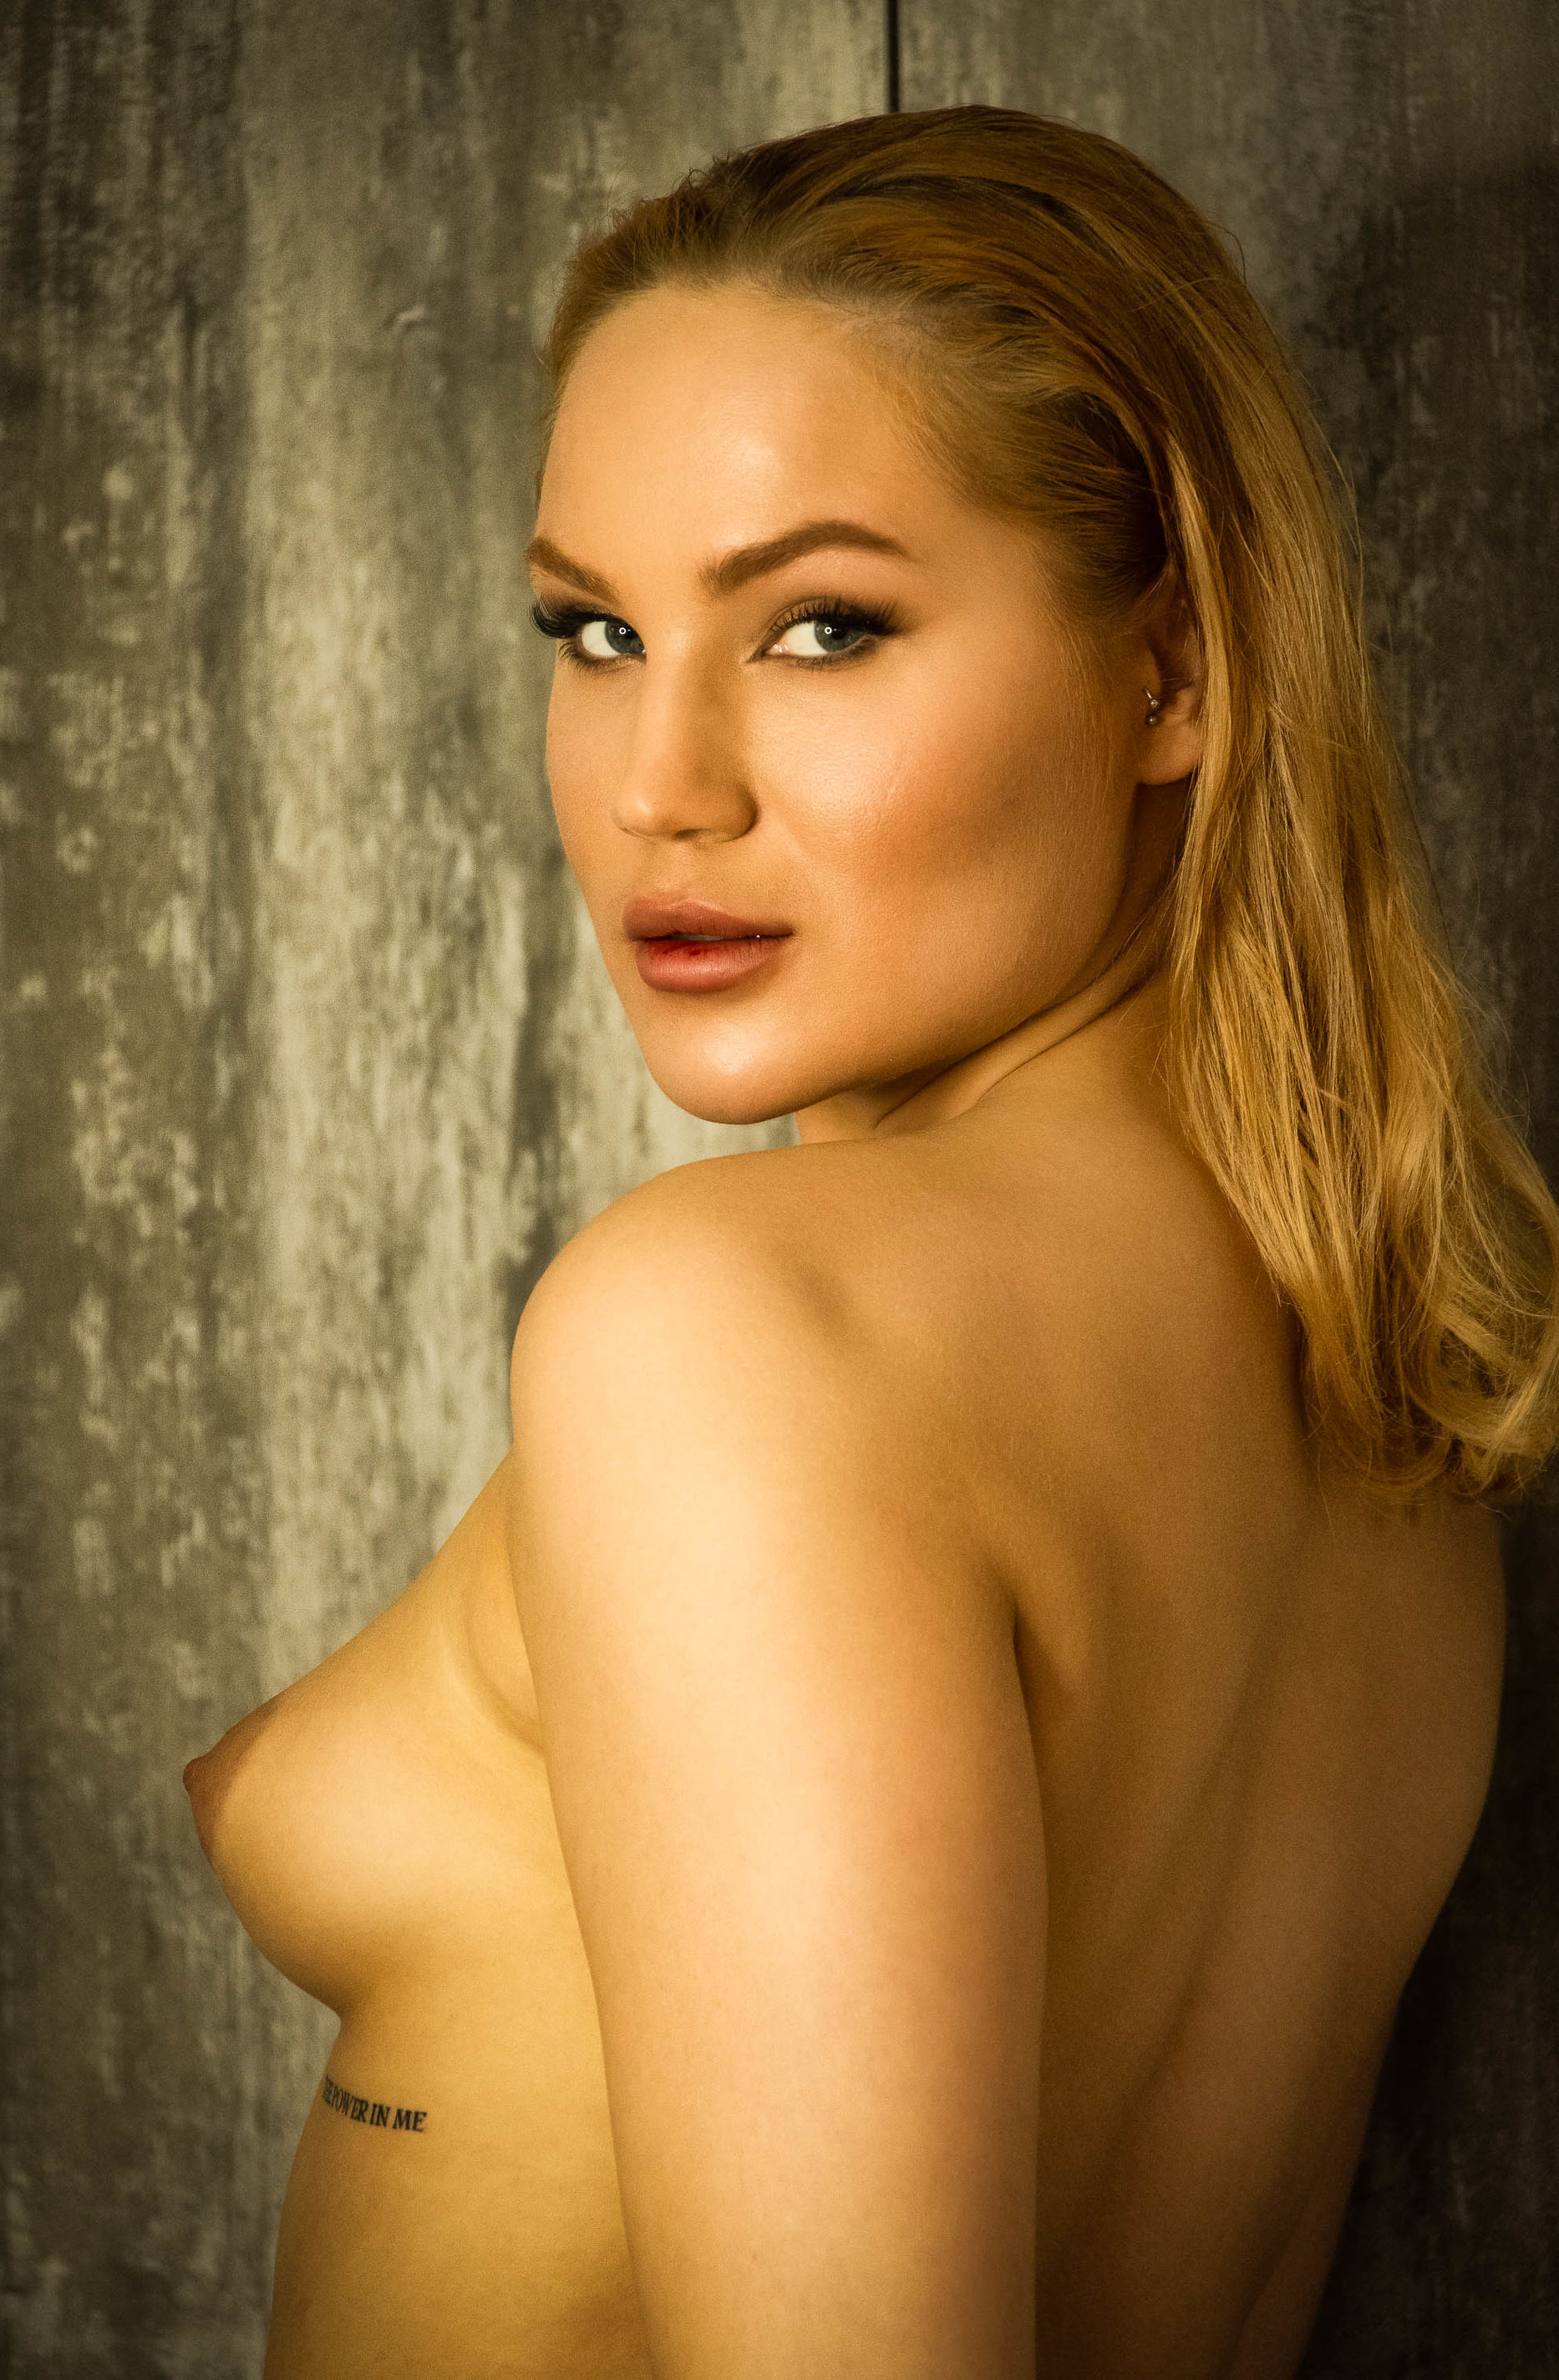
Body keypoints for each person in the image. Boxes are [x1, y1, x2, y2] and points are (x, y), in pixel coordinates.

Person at [185, 106, 1559, 2380]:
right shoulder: (1388, 1426)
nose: (658, 783)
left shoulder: (736, 1328)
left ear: (1172, 669)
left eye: (822, 628)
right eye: (595, 631)